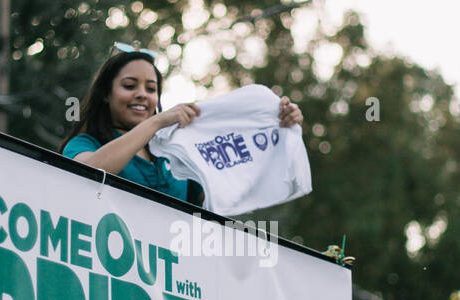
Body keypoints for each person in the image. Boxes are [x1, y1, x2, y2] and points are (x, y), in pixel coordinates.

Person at [61, 42, 302, 202]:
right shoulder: (85, 143)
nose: (142, 94)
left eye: (151, 88)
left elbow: (236, 183)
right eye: (129, 86)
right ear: (106, 94)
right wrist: (156, 123)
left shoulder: (174, 151)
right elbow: (88, 173)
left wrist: (278, 128)